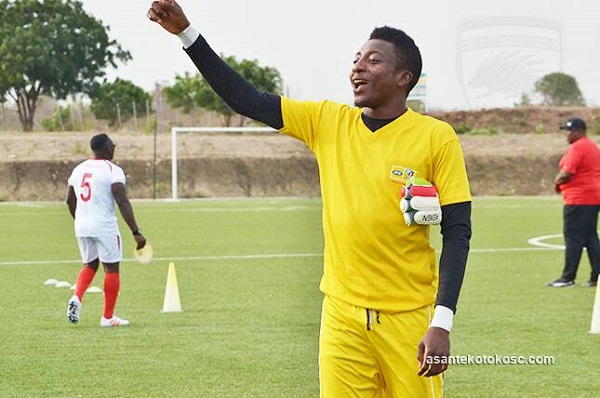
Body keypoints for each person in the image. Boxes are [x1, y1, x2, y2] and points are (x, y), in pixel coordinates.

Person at [148, 1, 472, 396]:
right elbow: (246, 99)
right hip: (341, 314)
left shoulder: (436, 137)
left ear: (404, 77)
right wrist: (186, 34)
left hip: (408, 317)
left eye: (373, 61)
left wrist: (442, 321)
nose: (357, 67)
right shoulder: (328, 122)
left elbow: (457, 232)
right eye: (356, 59)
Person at [66, 133, 147, 327]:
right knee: (111, 268)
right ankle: (108, 317)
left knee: (89, 264)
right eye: (112, 145)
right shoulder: (113, 170)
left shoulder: (79, 169)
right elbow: (122, 201)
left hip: (82, 226)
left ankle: (77, 296)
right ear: (105, 148)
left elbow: (69, 200)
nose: (114, 148)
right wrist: (136, 232)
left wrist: (81, 220)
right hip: (104, 227)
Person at [547, 118, 600, 288]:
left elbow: (567, 172)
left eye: (569, 131)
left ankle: (568, 277)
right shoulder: (591, 146)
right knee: (590, 237)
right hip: (593, 197)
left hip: (579, 199)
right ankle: (596, 275)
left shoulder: (578, 147)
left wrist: (556, 183)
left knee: (573, 237)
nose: (566, 134)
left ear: (578, 131)